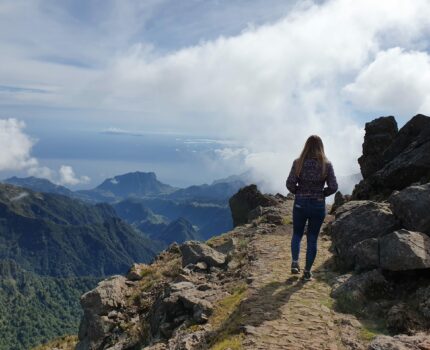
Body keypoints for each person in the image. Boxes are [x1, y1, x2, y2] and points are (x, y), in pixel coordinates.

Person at [286, 135, 338, 281]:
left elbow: (290, 183)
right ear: (321, 147)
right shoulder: (326, 165)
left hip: (300, 203)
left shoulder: (298, 163)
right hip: (318, 204)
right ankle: (307, 271)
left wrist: (298, 191)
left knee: (297, 234)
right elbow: (333, 186)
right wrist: (323, 193)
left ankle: (295, 261)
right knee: (312, 238)